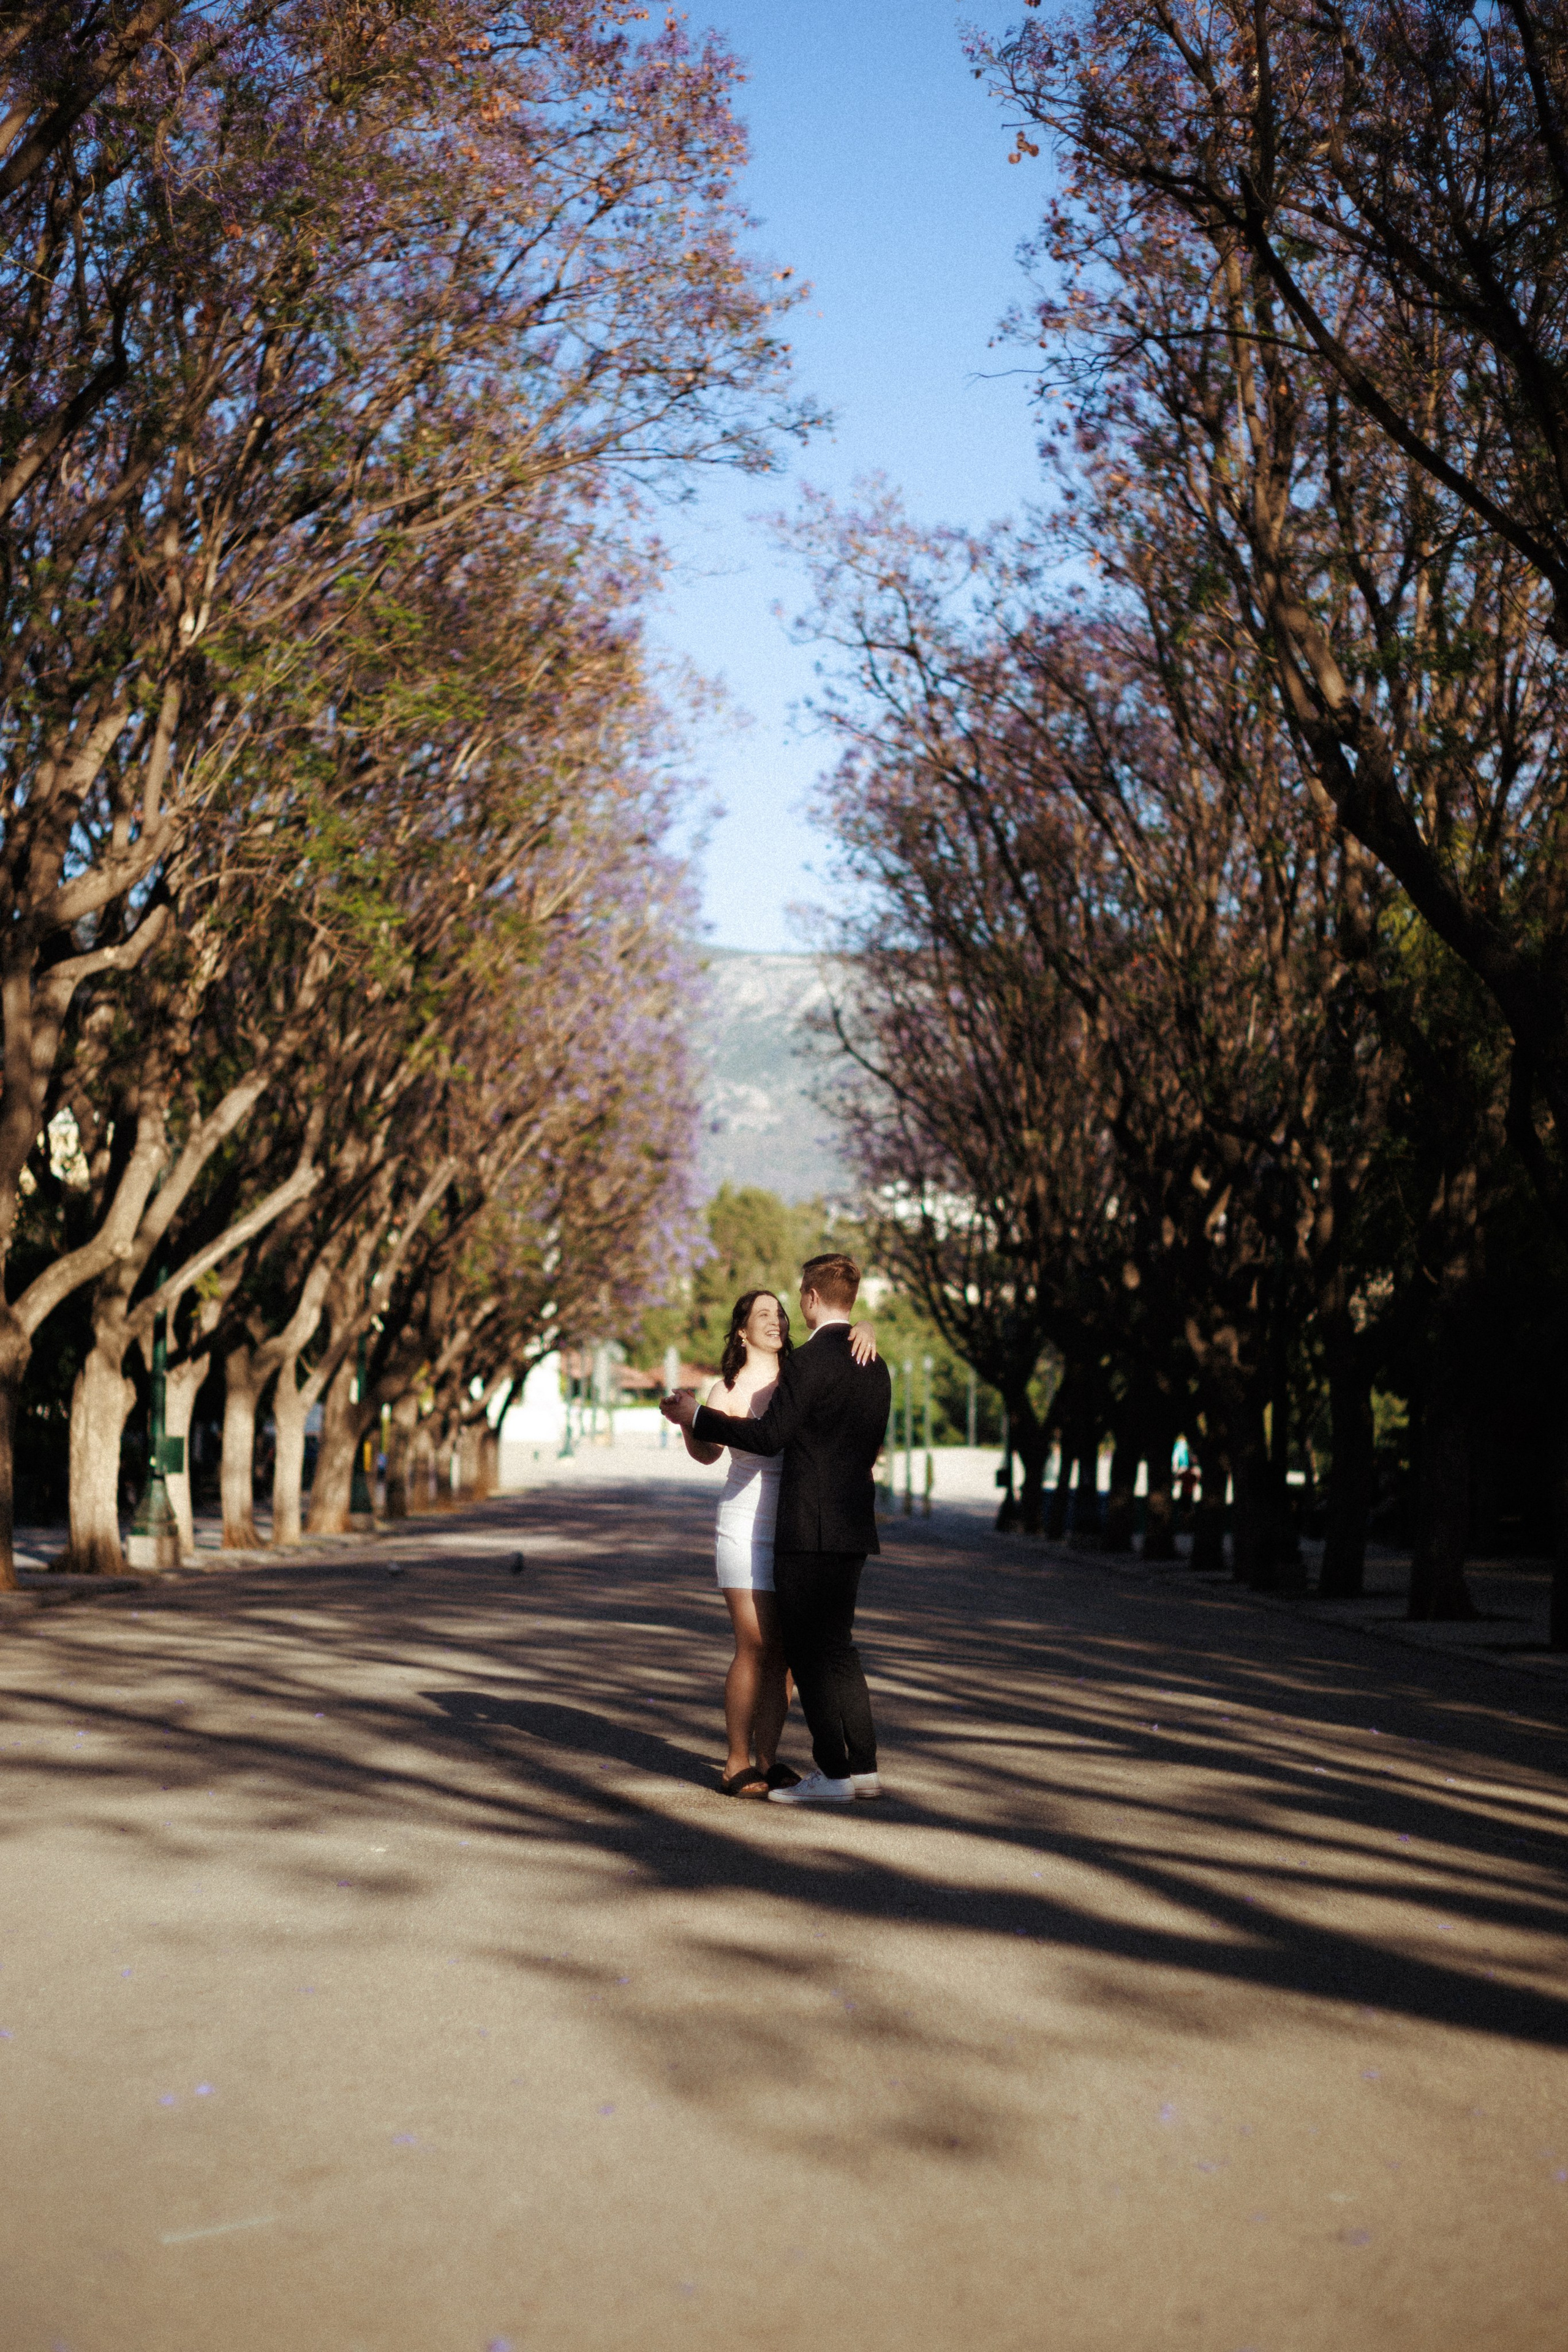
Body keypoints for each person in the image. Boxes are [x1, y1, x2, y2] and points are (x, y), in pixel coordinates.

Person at [662, 1253, 892, 1806]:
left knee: (793, 1651)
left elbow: (809, 1405)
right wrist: (693, 1420)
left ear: (807, 1305)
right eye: (763, 1313)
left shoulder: (807, 1366)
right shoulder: (729, 1386)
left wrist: (860, 1326)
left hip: (799, 1524)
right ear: (742, 1330)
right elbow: (708, 1454)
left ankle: (773, 1759)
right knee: (758, 1646)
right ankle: (738, 1761)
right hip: (750, 1523)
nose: (776, 1320)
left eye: (782, 1311)